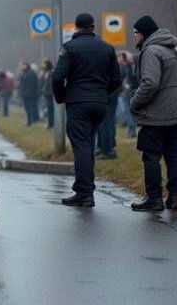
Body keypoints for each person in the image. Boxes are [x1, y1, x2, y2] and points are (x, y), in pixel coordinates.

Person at [51, 13, 122, 208]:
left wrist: (62, 96)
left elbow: (57, 77)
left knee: (81, 145)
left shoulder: (69, 48)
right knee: (88, 144)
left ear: (76, 28)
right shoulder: (107, 47)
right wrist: (102, 93)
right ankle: (86, 188)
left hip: (78, 102)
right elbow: (116, 79)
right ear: (92, 27)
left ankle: (84, 192)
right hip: (99, 103)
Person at [129, 16, 177, 212]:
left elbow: (150, 83)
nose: (134, 36)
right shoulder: (168, 48)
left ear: (143, 32)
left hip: (157, 114)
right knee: (173, 155)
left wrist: (134, 101)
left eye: (135, 32)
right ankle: (174, 198)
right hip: (176, 112)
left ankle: (154, 199)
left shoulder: (151, 51)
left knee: (151, 156)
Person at [117, 52, 138, 138]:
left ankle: (131, 130)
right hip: (131, 91)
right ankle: (131, 129)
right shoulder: (130, 67)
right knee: (130, 111)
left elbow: (124, 80)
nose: (118, 59)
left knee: (128, 111)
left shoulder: (126, 67)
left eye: (119, 57)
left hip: (128, 92)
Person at [18, 61, 40, 126]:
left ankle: (33, 121)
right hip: (26, 94)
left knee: (31, 108)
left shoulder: (31, 73)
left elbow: (31, 85)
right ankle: (30, 121)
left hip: (30, 94)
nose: (20, 67)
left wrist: (24, 92)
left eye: (21, 65)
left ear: (25, 65)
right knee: (27, 108)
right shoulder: (25, 73)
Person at [40, 60, 55, 129]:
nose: (43, 66)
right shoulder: (46, 73)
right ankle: (50, 123)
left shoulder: (51, 72)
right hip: (47, 93)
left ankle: (51, 124)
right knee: (49, 109)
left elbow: (50, 83)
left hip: (51, 93)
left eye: (44, 64)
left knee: (51, 109)